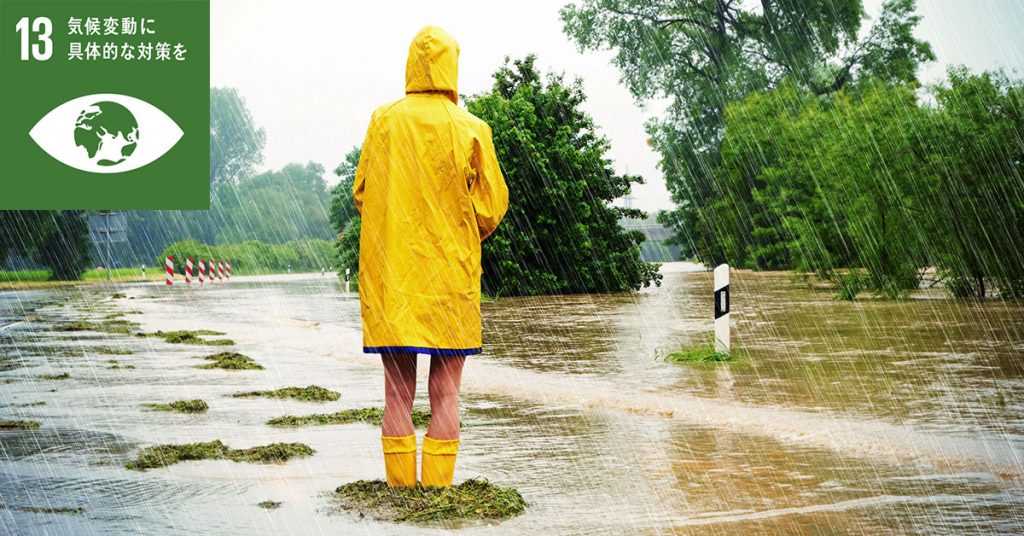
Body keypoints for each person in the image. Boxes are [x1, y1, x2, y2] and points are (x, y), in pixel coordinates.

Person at [353, 25, 509, 488]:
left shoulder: (384, 121)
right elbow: (492, 205)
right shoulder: (471, 129)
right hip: (450, 280)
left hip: (393, 280)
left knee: (397, 394)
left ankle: (401, 499)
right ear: (452, 69)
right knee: (446, 394)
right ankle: (438, 494)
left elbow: (362, 194)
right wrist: (458, 227)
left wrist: (396, 221)